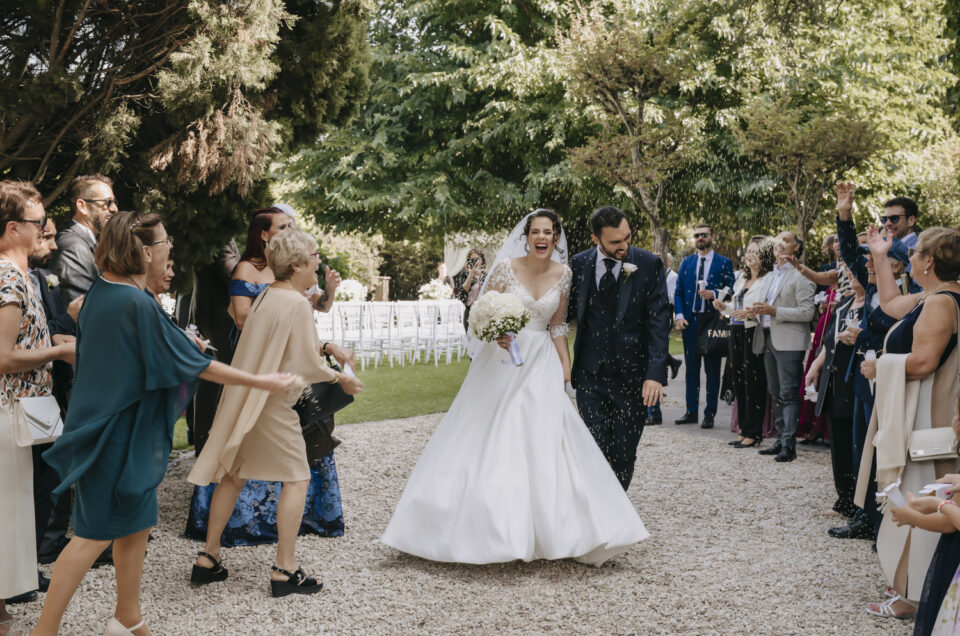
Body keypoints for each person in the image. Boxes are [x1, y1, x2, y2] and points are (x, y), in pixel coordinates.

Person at [32, 211, 292, 636]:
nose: (171, 246)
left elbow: (136, 351)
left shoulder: (108, 292)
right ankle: (43, 631)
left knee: (137, 524)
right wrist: (260, 379)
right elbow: (197, 364)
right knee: (92, 536)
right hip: (114, 436)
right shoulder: (133, 300)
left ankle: (128, 618)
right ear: (145, 251)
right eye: (165, 241)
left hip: (124, 431)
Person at [381, 209, 649, 564]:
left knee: (547, 438)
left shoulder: (565, 274)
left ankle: (561, 529)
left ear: (556, 238)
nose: (541, 238)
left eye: (548, 232)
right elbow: (480, 317)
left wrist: (566, 372)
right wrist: (496, 334)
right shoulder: (506, 269)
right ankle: (481, 529)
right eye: (535, 232)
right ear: (527, 237)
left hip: (542, 362)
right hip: (503, 361)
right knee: (493, 433)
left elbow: (556, 327)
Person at [188, 229, 363, 597]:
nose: (318, 261)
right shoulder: (297, 304)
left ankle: (209, 557)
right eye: (314, 256)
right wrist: (340, 378)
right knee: (297, 479)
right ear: (298, 265)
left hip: (246, 397)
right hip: (272, 403)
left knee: (234, 474)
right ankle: (285, 568)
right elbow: (305, 363)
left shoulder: (269, 295)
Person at [856, 225, 960, 620]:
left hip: (928, 418)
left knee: (921, 493)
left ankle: (915, 596)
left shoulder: (940, 303)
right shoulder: (936, 295)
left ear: (929, 261)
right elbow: (889, 304)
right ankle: (916, 588)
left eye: (915, 254)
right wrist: (880, 256)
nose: (910, 258)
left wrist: (878, 366)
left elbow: (923, 362)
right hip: (927, 413)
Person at [0, 181, 75, 636]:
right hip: (8, 413)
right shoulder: (8, 276)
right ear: (13, 228)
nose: (46, 228)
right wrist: (58, 354)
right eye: (38, 222)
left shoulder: (23, 275)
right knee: (7, 514)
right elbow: (3, 357)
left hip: (21, 413)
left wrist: (54, 341)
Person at [829, 183, 921, 542]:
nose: (867, 263)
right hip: (863, 374)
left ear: (897, 266)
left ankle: (886, 520)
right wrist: (844, 212)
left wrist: (874, 347)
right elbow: (850, 249)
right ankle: (864, 516)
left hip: (889, 376)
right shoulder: (868, 287)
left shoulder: (906, 296)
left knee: (885, 445)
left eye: (878, 260)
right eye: (867, 260)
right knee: (861, 445)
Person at [568, 206, 671, 488]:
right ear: (595, 239)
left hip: (632, 378)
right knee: (593, 448)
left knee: (624, 454)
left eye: (627, 237)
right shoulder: (578, 264)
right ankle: (597, 517)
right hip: (590, 375)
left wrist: (655, 374)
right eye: (615, 242)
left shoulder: (648, 264)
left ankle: (617, 514)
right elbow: (561, 315)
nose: (624, 246)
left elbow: (659, 323)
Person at [749, 230, 816, 463]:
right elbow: (766, 306)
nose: (780, 244)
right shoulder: (770, 276)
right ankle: (779, 439)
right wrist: (755, 311)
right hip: (768, 337)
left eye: (786, 240)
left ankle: (789, 444)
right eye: (778, 240)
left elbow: (808, 312)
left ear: (796, 247)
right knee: (775, 392)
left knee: (788, 393)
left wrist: (774, 311)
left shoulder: (803, 275)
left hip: (790, 341)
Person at [805, 267, 865, 519]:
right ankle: (843, 498)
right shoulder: (845, 303)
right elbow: (829, 341)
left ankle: (859, 502)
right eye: (849, 274)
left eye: (856, 272)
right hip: (834, 377)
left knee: (855, 441)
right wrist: (816, 367)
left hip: (856, 378)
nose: (851, 276)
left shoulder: (874, 305)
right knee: (838, 441)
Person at [673, 224, 735, 428]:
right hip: (690, 322)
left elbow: (731, 287)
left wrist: (715, 294)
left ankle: (710, 413)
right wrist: (679, 316)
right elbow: (679, 291)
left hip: (711, 321)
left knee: (712, 369)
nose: (700, 238)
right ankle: (691, 411)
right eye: (697, 235)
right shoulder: (687, 262)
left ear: (712, 237)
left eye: (704, 235)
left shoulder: (724, 262)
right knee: (691, 369)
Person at [715, 236, 775, 448]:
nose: (750, 256)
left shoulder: (768, 279)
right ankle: (743, 428)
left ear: (765, 255)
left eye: (755, 252)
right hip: (736, 331)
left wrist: (750, 314)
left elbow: (768, 307)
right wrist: (724, 307)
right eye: (748, 252)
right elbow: (734, 306)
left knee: (754, 381)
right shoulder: (741, 278)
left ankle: (754, 432)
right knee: (738, 380)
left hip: (753, 332)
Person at [51, 175, 118, 302]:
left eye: (115, 202)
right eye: (108, 202)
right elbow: (84, 309)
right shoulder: (73, 247)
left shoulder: (91, 243)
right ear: (82, 206)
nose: (115, 209)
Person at [647, 253, 682, 425]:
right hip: (648, 319)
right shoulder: (648, 275)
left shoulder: (673, 277)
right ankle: (673, 362)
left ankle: (654, 412)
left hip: (664, 316)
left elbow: (674, 298)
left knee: (654, 357)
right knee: (650, 355)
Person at [452, 249, 486, 327]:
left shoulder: (485, 275)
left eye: (477, 258)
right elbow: (463, 290)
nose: (475, 261)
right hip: (470, 311)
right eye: (472, 259)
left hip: (484, 312)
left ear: (482, 261)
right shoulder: (465, 275)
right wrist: (471, 275)